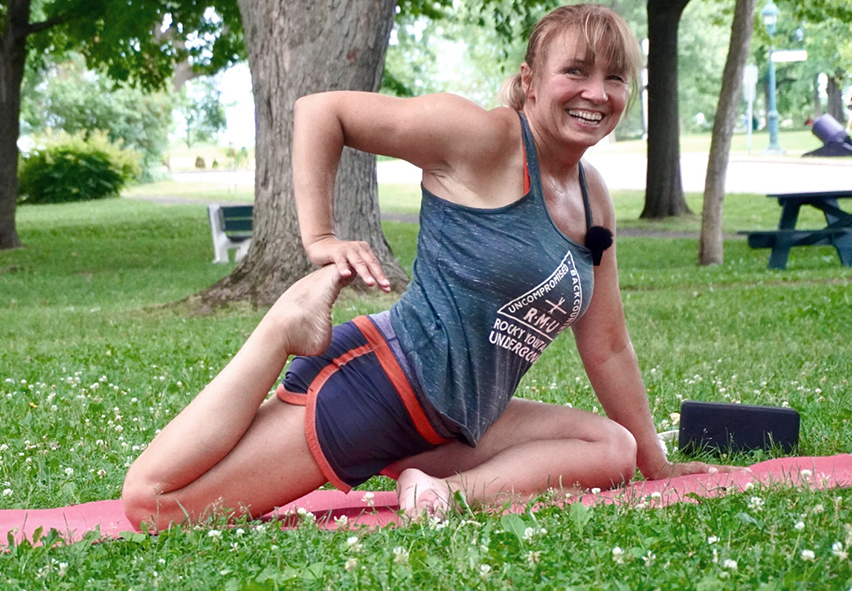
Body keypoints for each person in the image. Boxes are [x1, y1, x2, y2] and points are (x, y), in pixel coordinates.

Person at [121, 3, 735, 530]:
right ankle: (281, 329)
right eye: (575, 71)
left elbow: (607, 345)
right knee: (155, 506)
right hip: (378, 391)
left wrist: (657, 465)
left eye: (615, 77)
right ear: (529, 80)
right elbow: (320, 113)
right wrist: (321, 238)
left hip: (457, 424)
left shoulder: (590, 193)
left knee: (611, 448)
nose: (597, 93)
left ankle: (440, 495)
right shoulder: (481, 138)